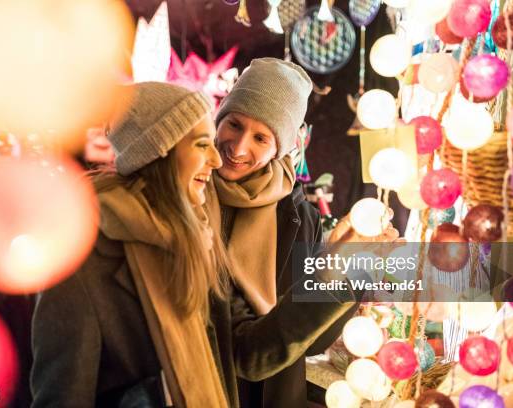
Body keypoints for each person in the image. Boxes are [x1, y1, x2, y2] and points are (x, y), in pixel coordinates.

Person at [30, 82, 357, 408]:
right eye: (203, 144)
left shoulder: (200, 240)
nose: (219, 158)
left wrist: (338, 274)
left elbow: (248, 355)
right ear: (160, 151)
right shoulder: (80, 261)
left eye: (261, 137)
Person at [213, 58, 398, 408]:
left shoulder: (298, 216)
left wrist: (348, 269)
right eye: (234, 124)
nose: (238, 147)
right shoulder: (191, 198)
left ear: (281, 146)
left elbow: (312, 342)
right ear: (219, 120)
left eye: (260, 137)